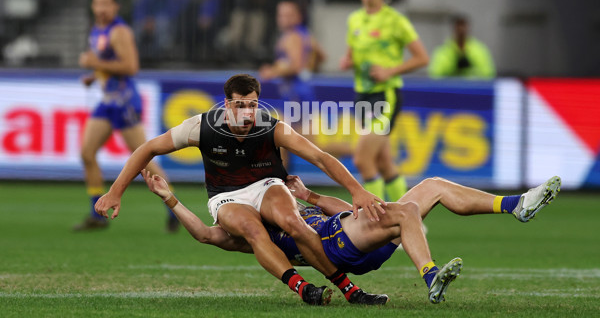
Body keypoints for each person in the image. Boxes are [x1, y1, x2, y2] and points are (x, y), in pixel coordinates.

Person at [95, 74, 389, 306]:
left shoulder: (272, 127)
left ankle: (349, 290)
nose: (247, 113)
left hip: (266, 185)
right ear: (226, 104)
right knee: (252, 229)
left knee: (293, 223)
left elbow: (321, 158)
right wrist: (115, 192)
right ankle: (303, 289)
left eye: (252, 105)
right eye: (240, 106)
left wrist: (357, 190)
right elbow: (147, 148)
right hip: (226, 196)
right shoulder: (201, 127)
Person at [141, 168, 561, 304]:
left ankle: (515, 205)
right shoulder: (254, 226)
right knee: (410, 209)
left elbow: (344, 211)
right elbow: (205, 234)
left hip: (353, 238)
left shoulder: (295, 205)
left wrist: (310, 194)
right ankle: (431, 275)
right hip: (336, 248)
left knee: (429, 187)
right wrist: (170, 199)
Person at [76, 0, 179, 233]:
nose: (101, 8)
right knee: (87, 152)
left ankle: (173, 207)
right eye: (97, 3)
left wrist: (94, 63)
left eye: (106, 4)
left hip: (124, 102)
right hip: (108, 100)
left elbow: (130, 66)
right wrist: (94, 75)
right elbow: (109, 63)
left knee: (144, 158)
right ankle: (96, 213)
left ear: (115, 7)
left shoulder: (119, 31)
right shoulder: (98, 29)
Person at [340, 0, 430, 202]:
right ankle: (410, 218)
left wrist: (389, 71)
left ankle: (376, 223)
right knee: (384, 162)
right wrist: (348, 61)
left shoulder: (395, 21)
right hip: (362, 95)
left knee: (362, 159)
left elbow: (422, 57)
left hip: (385, 95)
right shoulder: (354, 20)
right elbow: (352, 53)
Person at [259, 0, 325, 104]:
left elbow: (296, 66)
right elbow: (321, 55)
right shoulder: (304, 34)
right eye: (281, 15)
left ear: (299, 16)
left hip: (297, 91)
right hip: (298, 89)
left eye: (289, 15)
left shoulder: (293, 37)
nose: (284, 19)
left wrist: (272, 72)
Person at [429, 15, 496, 79]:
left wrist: (470, 69)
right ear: (453, 28)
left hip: (473, 88)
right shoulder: (442, 51)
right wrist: (453, 68)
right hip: (450, 89)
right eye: (458, 26)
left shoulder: (480, 50)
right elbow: (435, 74)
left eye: (463, 26)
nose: (461, 30)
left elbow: (488, 74)